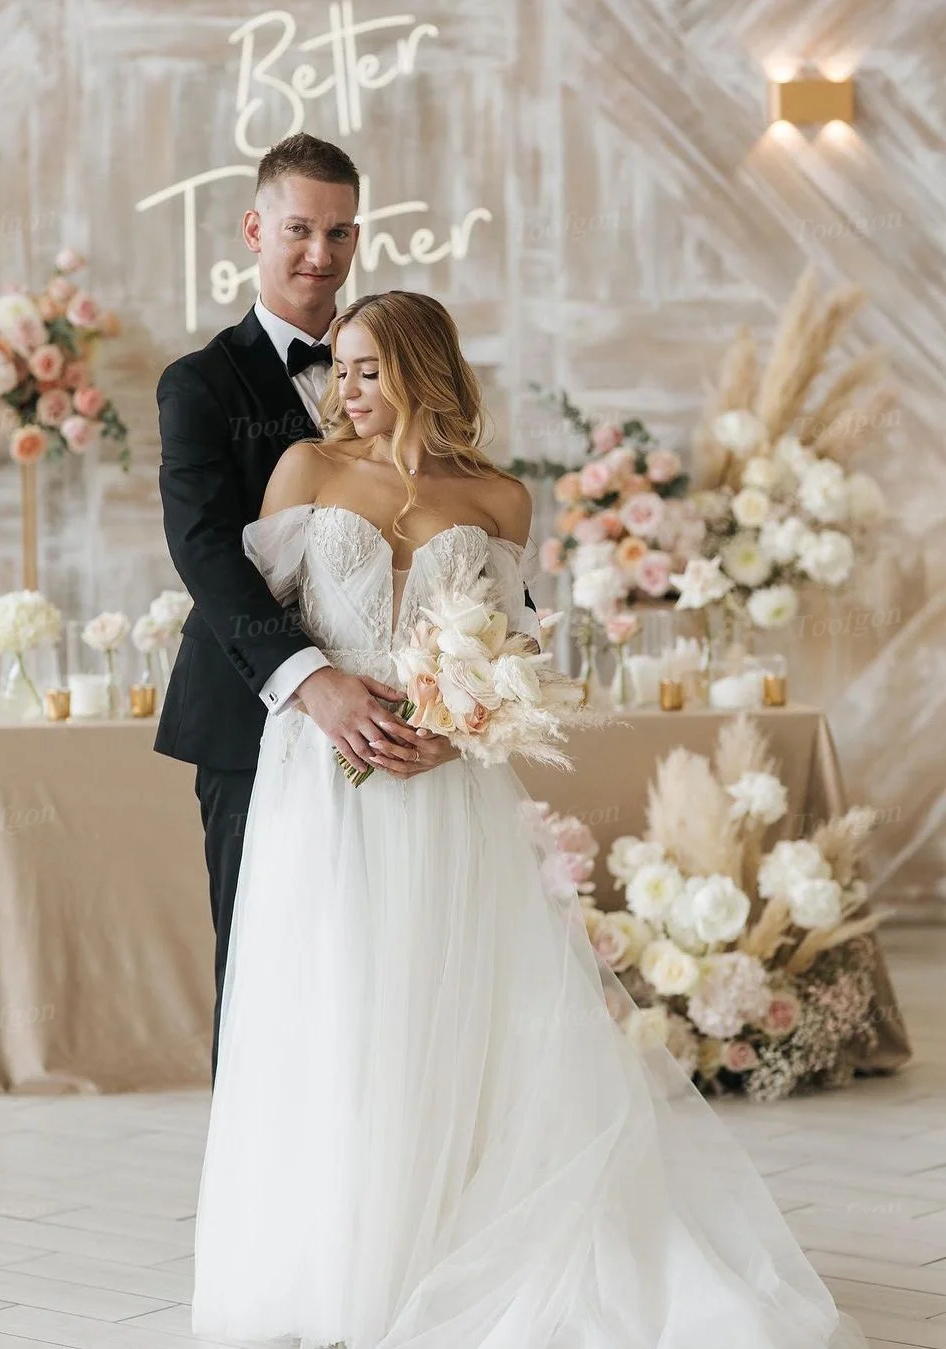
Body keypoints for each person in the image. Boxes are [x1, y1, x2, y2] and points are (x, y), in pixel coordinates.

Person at [190, 289, 868, 1349]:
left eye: (371, 369)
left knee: (447, 1001)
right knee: (335, 998)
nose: (347, 389)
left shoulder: (500, 498)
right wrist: (319, 693)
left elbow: (511, 652)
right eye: (342, 369)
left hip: (446, 787)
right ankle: (335, 1257)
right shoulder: (307, 473)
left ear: (424, 371)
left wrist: (459, 727)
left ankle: (452, 1236)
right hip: (321, 777)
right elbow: (245, 619)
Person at [156, 134, 536, 1082]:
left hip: (421, 752)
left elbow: (500, 605)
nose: (317, 252)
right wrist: (311, 682)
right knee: (271, 974)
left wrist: (468, 717)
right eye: (296, 229)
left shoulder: (394, 352)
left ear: (356, 237)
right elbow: (207, 553)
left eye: (336, 232)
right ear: (255, 229)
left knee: (415, 985)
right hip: (262, 730)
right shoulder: (201, 383)